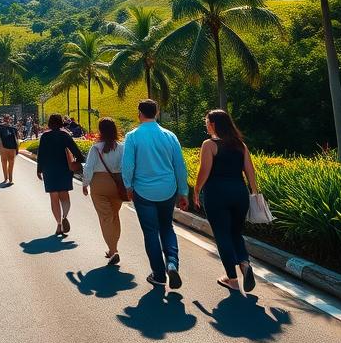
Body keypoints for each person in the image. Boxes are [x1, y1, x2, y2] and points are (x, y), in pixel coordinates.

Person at [122, 99, 189, 288]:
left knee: (150, 232)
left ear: (139, 113)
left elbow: (128, 165)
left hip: (143, 192)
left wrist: (128, 186)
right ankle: (172, 263)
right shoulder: (170, 136)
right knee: (167, 228)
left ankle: (159, 275)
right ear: (157, 113)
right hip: (168, 190)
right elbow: (180, 166)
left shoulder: (133, 136)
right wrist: (183, 192)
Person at [194, 109, 258, 293]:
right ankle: (245, 264)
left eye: (207, 121)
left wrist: (196, 190)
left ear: (213, 124)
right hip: (239, 193)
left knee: (222, 235)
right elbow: (250, 172)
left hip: (217, 194)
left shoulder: (209, 144)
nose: (206, 124)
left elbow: (204, 171)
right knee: (235, 233)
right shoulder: (241, 145)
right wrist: (254, 193)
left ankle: (232, 279)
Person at [82, 118, 125, 264]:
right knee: (114, 216)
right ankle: (114, 247)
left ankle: (113, 250)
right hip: (117, 184)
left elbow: (88, 168)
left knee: (105, 217)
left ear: (100, 131)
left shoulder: (95, 148)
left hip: (99, 184)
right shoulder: (122, 147)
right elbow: (127, 167)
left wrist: (85, 184)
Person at [36, 114, 85, 236]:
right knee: (64, 194)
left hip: (49, 169)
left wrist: (39, 169)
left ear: (49, 123)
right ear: (61, 123)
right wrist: (76, 163)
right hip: (64, 169)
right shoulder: (65, 136)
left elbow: (40, 154)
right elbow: (78, 154)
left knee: (54, 197)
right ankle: (65, 216)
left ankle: (58, 224)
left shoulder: (45, 137)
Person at [0, 114, 20, 185]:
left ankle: (5, 178)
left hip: (3, 147)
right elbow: (17, 138)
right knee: (11, 163)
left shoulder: (0, 127)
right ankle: (10, 179)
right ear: (10, 119)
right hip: (12, 148)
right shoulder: (14, 128)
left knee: (4, 163)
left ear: (3, 119)